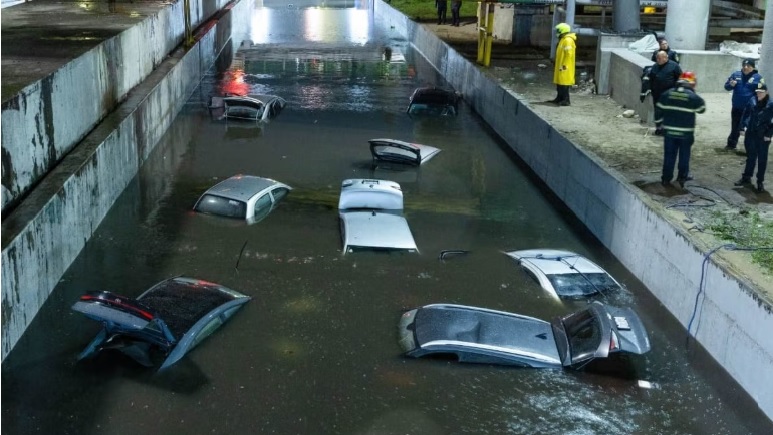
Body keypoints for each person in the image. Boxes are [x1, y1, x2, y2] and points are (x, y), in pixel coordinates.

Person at [655, 71, 706, 188]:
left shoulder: (667, 94)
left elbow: (658, 110)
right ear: (692, 84)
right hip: (686, 133)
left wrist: (658, 125)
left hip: (669, 132)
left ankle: (665, 179)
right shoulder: (693, 97)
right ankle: (682, 177)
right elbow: (702, 109)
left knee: (669, 156)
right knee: (684, 155)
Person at [734, 82, 773, 193]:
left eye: (761, 92)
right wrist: (742, 127)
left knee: (762, 160)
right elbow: (745, 114)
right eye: (757, 92)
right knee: (750, 157)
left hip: (763, 137)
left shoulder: (771, 104)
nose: (759, 94)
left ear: (766, 92)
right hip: (751, 134)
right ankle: (746, 177)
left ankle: (760, 181)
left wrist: (769, 134)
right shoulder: (752, 100)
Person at [724, 58, 763, 150]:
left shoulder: (758, 78)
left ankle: (750, 148)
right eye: (744, 65)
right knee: (735, 126)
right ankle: (731, 144)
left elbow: (762, 92)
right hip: (737, 107)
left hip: (750, 110)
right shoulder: (736, 75)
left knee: (748, 129)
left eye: (748, 66)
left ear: (753, 67)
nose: (745, 67)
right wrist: (731, 85)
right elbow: (726, 87)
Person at [641, 50, 682, 135]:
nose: (658, 60)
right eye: (657, 58)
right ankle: (659, 129)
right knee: (658, 113)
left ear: (665, 58)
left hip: (670, 95)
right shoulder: (655, 66)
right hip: (657, 95)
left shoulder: (674, 66)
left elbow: (680, 79)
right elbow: (651, 78)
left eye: (660, 58)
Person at [551, 23, 576, 106]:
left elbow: (569, 54)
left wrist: (564, 65)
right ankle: (559, 98)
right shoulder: (563, 39)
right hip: (562, 65)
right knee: (560, 82)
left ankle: (566, 100)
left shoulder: (567, 40)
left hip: (565, 66)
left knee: (564, 83)